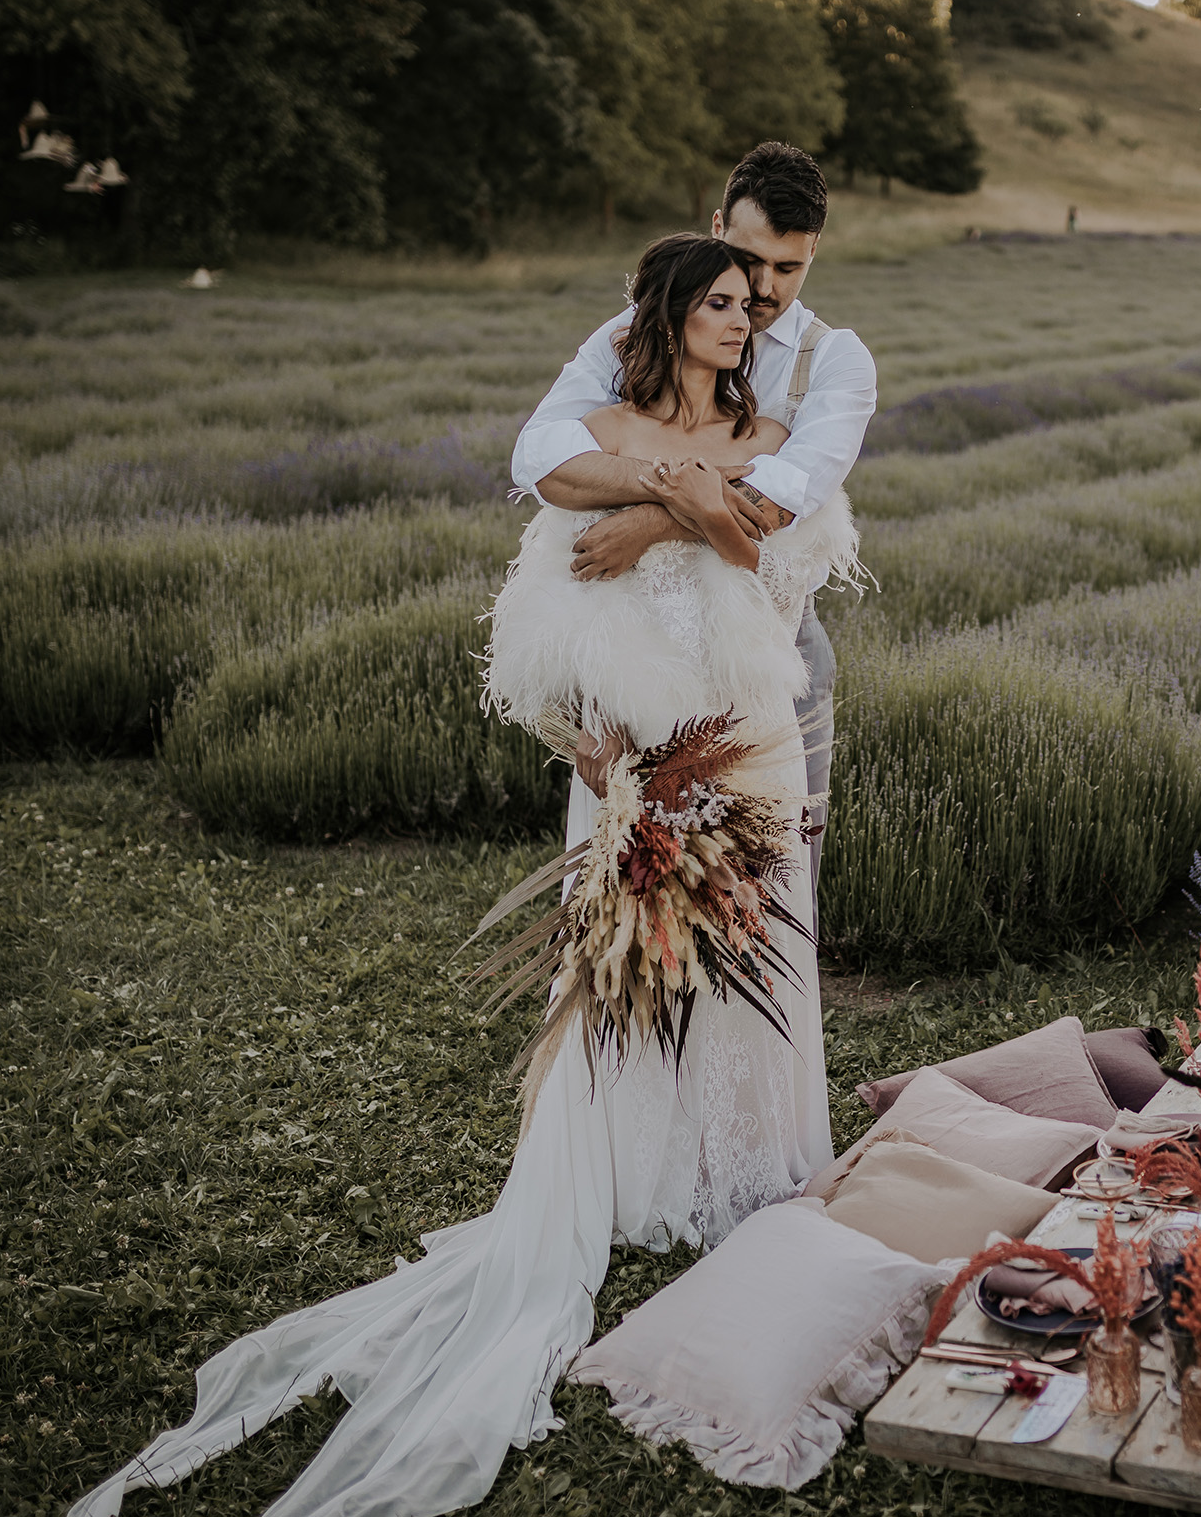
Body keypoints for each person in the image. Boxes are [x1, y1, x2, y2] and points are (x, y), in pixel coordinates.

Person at [70, 235, 859, 1517]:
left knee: (752, 959)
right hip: (637, 751)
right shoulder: (592, 426)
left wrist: (664, 502)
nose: (743, 318)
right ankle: (647, 1170)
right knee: (637, 974)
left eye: (749, 303)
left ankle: (749, 1170)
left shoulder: (770, 429)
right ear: (663, 318)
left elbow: (760, 537)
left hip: (750, 740)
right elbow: (548, 599)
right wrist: (603, 750)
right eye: (717, 303)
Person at [512, 141, 875, 874]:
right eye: (749, 260)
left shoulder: (833, 362)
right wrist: (672, 480)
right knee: (633, 880)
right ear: (716, 227)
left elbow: (775, 502)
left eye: (789, 267)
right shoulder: (632, 334)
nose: (765, 290)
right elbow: (539, 457)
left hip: (773, 655)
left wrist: (645, 523)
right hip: (638, 648)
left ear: (814, 254)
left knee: (769, 882)